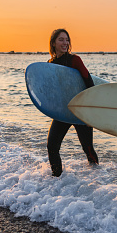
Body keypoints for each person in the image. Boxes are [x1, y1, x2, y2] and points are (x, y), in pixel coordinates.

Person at [46, 29, 99, 177]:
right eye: (61, 40)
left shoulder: (75, 60)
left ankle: (97, 180)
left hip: (80, 111)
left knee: (88, 149)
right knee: (52, 146)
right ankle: (57, 179)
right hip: (63, 111)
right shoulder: (50, 64)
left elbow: (89, 84)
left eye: (67, 40)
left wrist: (90, 114)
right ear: (53, 43)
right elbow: (50, 90)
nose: (65, 43)